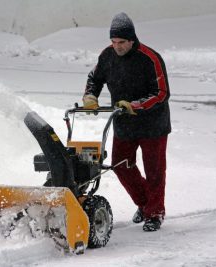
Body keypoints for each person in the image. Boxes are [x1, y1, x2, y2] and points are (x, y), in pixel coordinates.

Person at [82, 12, 171, 231]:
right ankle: (145, 204)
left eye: (121, 42)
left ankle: (155, 213)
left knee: (155, 171)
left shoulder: (150, 58)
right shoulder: (107, 56)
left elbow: (162, 93)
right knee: (121, 165)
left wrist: (136, 106)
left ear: (132, 39)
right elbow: (94, 78)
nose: (117, 46)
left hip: (153, 125)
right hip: (123, 122)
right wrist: (90, 96)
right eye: (113, 42)